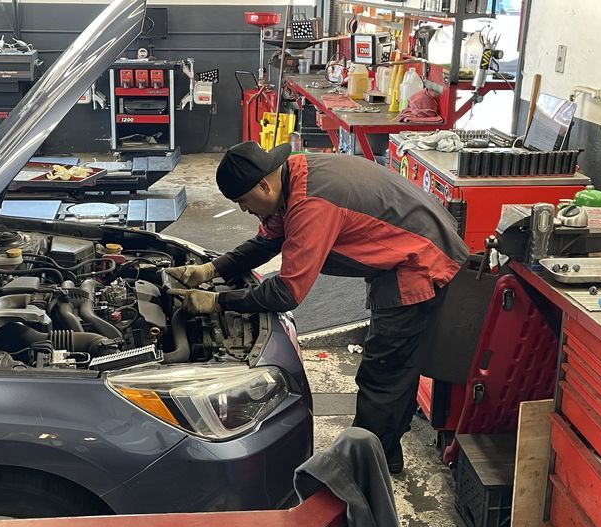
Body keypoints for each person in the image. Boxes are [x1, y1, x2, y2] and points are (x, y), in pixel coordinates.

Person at [166, 141, 469, 474]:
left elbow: (286, 292)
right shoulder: (293, 176)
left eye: (242, 201)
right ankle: (385, 454)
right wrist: (215, 269)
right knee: (395, 367)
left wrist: (218, 301)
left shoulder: (310, 205)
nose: (243, 210)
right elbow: (268, 241)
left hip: (419, 262)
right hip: (404, 251)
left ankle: (361, 470)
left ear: (263, 185)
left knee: (384, 371)